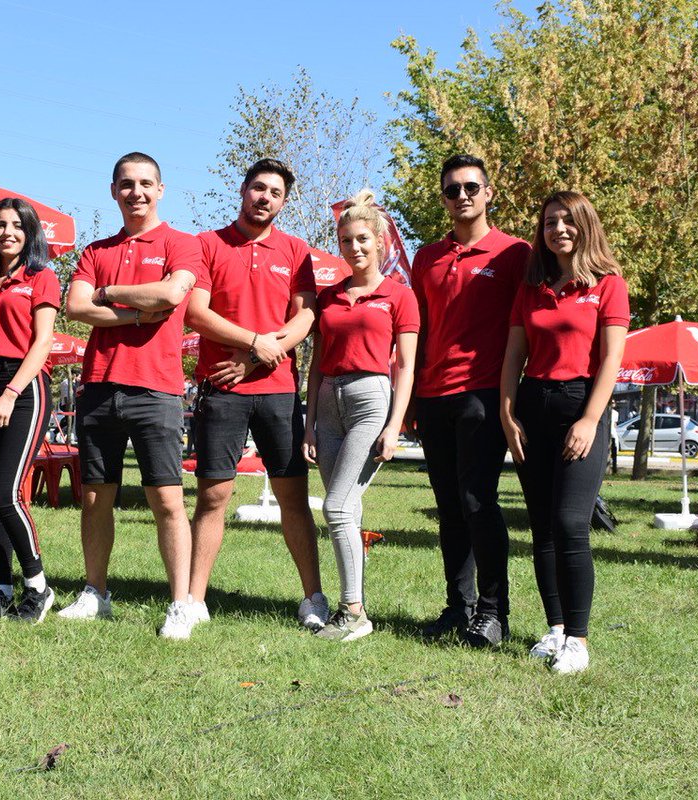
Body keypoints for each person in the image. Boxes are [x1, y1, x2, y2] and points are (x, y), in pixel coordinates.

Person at [60, 152, 201, 638]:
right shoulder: (95, 249)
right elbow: (75, 305)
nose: (135, 192)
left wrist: (108, 291)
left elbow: (171, 296)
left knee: (167, 501)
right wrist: (136, 313)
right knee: (96, 499)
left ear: (160, 189)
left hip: (157, 390)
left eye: (145, 183)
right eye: (126, 184)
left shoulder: (182, 244)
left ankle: (180, 604)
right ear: (113, 190)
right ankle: (95, 593)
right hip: (99, 386)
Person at [185, 158, 327, 632]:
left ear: (283, 201)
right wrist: (254, 340)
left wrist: (257, 354)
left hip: (278, 392)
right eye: (258, 188)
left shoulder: (296, 249)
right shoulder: (207, 244)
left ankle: (313, 598)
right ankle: (192, 601)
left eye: (276, 193)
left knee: (293, 497)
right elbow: (196, 314)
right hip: (221, 390)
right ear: (243, 190)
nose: (265, 197)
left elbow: (304, 318)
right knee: (213, 496)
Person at [500, 191, 629, 674]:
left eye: (568, 220)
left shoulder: (609, 285)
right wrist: (507, 416)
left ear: (585, 226)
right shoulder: (531, 287)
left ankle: (578, 640)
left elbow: (612, 359)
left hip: (581, 406)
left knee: (572, 523)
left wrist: (590, 420)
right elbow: (514, 358)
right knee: (543, 529)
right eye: (550, 221)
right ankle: (554, 631)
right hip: (532, 407)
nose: (559, 229)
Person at [410, 154, 531, 647]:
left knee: (478, 502)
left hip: (482, 393)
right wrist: (413, 397)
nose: (462, 196)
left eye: (471, 187)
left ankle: (492, 610)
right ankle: (456, 608)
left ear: (488, 192)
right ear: (443, 197)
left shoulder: (516, 253)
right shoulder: (426, 258)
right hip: (433, 396)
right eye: (452, 189)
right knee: (449, 506)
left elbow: (529, 326)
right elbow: (416, 330)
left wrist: (513, 398)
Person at [301, 189, 419, 641]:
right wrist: (310, 423)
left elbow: (405, 365)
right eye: (347, 240)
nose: (355, 247)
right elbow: (316, 364)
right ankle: (351, 605)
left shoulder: (399, 296)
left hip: (372, 398)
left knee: (334, 506)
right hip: (329, 401)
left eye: (363, 239)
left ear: (381, 242)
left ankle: (354, 613)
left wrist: (395, 425)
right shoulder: (329, 298)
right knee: (346, 508)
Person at [0, 198, 60, 623]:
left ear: (30, 232)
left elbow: (42, 343)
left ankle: (38, 587)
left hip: (26, 388)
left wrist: (9, 394)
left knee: (8, 493)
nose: (7, 233)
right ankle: (0, 590)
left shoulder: (42, 278)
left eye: (17, 226)